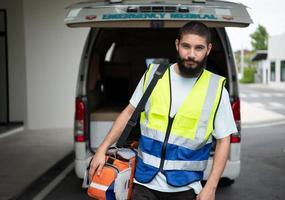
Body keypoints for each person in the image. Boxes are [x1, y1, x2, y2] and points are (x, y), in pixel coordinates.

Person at [88, 21, 237, 200]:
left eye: (198, 48)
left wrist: (211, 187)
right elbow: (128, 113)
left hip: (185, 187)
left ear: (208, 49)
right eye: (186, 46)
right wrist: (101, 149)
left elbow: (223, 140)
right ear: (177, 45)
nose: (191, 54)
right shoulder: (153, 75)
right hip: (143, 183)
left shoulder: (216, 89)